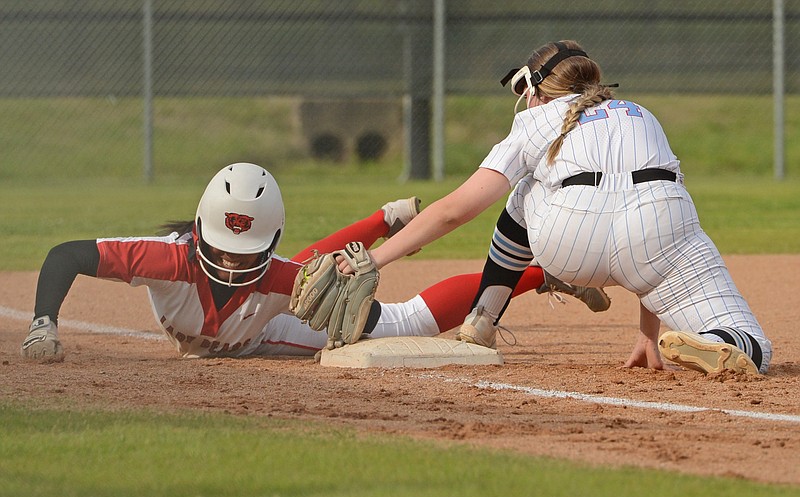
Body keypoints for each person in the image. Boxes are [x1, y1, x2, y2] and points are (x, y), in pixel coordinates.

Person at [349, 40, 771, 375]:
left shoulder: (534, 120)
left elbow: (453, 211)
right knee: (751, 343)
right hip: (658, 238)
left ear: (533, 89)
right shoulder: (641, 113)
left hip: (569, 242)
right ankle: (725, 342)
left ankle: (482, 321)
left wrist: (376, 258)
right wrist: (649, 331)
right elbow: (646, 203)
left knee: (526, 190)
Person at [20, 162, 608, 361]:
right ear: (198, 229)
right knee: (308, 273)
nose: (229, 259)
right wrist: (43, 324)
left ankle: (537, 272)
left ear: (268, 242)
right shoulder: (164, 260)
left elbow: (316, 262)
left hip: (269, 335)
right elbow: (65, 255)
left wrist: (373, 249)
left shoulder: (277, 277)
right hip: (247, 318)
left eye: (245, 251)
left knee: (396, 319)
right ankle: (387, 215)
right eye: (221, 245)